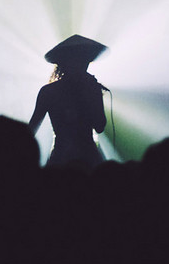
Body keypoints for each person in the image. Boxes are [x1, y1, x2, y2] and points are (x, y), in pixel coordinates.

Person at [28, 34, 109, 171]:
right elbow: (100, 127)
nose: (82, 65)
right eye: (79, 60)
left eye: (84, 61)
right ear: (64, 63)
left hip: (63, 159)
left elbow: (100, 126)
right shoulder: (50, 92)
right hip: (85, 159)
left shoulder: (49, 91)